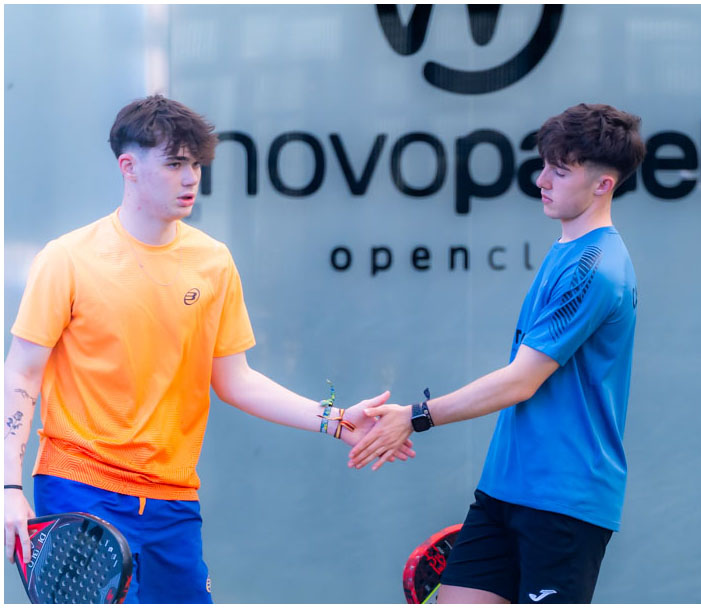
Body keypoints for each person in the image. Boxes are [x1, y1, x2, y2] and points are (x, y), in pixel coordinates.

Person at [3, 95, 413, 603]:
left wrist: (336, 420)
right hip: (79, 487)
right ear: (128, 167)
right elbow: (21, 374)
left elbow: (236, 380)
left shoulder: (213, 262)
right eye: (174, 163)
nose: (191, 177)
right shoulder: (66, 259)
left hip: (173, 498)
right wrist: (9, 489)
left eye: (195, 164)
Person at [349, 103, 646, 604]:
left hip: (564, 500)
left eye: (560, 171)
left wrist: (416, 416)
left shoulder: (595, 268)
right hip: (504, 489)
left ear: (603, 185)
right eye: (544, 165)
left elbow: (520, 381)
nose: (541, 180)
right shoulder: (568, 251)